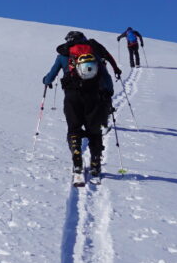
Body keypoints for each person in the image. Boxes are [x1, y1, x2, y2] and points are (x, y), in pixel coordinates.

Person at [43, 30, 123, 178]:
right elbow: (105, 76)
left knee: (74, 128)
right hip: (94, 96)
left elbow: (51, 75)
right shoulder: (94, 52)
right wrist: (108, 93)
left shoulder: (63, 55)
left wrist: (46, 81)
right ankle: (95, 163)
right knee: (94, 131)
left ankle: (77, 157)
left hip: (71, 97)